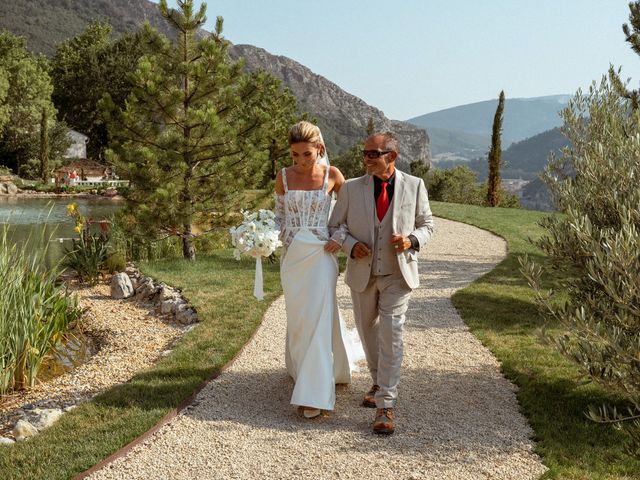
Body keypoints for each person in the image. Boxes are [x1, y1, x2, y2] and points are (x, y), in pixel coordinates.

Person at [328, 132, 434, 434]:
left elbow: (427, 225)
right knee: (367, 331)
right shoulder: (349, 189)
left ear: (392, 156)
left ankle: (386, 404)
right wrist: (349, 245)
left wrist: (412, 240)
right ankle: (378, 380)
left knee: (391, 332)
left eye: (374, 153)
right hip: (362, 273)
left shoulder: (415, 186)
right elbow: (335, 225)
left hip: (398, 274)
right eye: (365, 153)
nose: (367, 159)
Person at [274, 121, 363, 419]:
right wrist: (264, 240)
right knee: (300, 318)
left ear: (320, 150)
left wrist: (339, 238)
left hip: (322, 254)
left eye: (307, 154)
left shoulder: (333, 175)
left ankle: (315, 393)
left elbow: (352, 213)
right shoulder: (283, 177)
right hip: (293, 256)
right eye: (295, 155)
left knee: (318, 318)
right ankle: (303, 370)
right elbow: (279, 216)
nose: (300, 161)